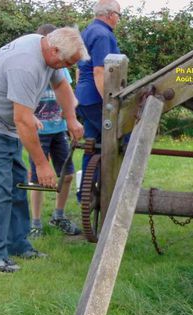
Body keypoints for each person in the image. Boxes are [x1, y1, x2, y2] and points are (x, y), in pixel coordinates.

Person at [0, 27, 89, 273]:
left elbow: (62, 85)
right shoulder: (26, 65)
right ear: (54, 50)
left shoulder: (46, 49)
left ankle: (18, 245)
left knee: (17, 184)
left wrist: (72, 119)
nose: (65, 66)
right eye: (65, 61)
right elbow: (23, 120)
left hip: (5, 123)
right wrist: (42, 165)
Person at [28, 24, 82, 238]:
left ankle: (58, 216)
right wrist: (30, 116)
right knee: (38, 180)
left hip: (58, 130)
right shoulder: (32, 67)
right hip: (37, 132)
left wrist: (71, 114)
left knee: (67, 175)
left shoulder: (61, 68)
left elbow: (70, 96)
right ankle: (36, 222)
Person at [75, 0, 122, 190]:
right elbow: (99, 72)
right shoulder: (102, 35)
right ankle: (114, 189)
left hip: (85, 97)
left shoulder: (88, 31)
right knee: (122, 139)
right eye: (119, 15)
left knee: (92, 145)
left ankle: (86, 192)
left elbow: (79, 69)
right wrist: (110, 102)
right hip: (96, 99)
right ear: (110, 14)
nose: (119, 19)